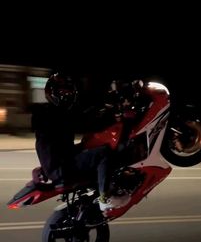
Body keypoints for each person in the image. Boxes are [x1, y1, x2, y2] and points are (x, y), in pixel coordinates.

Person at [31, 72, 131, 213]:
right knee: (103, 153)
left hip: (58, 161)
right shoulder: (56, 114)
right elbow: (86, 123)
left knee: (88, 145)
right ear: (51, 92)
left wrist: (102, 111)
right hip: (62, 167)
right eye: (62, 91)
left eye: (68, 91)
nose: (66, 94)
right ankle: (105, 197)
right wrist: (114, 117)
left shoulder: (48, 112)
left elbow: (82, 118)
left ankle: (103, 184)